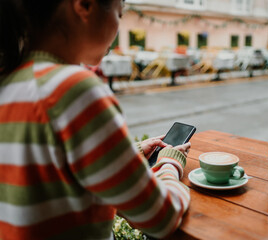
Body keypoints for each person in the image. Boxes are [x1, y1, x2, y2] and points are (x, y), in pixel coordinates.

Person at [0, 0, 191, 239]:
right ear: (85, 5)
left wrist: (129, 154)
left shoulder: (10, 84)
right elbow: (160, 217)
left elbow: (47, 175)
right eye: (119, 14)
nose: (118, 26)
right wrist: (170, 164)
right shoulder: (73, 88)